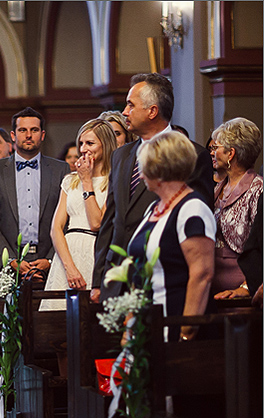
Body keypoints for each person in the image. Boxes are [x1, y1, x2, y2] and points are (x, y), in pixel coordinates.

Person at [92, 73, 214, 303]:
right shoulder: (121, 155)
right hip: (116, 279)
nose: (125, 112)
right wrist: (99, 279)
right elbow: (111, 219)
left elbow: (198, 225)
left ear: (152, 111)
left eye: (130, 105)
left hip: (163, 279)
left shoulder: (193, 156)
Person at [126, 132, 215, 341]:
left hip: (174, 323)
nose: (140, 175)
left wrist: (185, 330)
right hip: (149, 325)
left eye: (144, 167)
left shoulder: (192, 208)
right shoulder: (153, 209)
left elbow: (202, 274)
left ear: (160, 169)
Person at [0, 107, 70, 281]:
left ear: (42, 135)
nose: (28, 135)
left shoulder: (61, 169)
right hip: (5, 266)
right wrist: (11, 260)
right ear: (13, 135)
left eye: (34, 130)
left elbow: (67, 221)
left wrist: (51, 259)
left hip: (50, 264)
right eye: (22, 130)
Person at [40, 119, 117, 310]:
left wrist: (87, 181)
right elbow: (56, 228)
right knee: (56, 321)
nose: (83, 149)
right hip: (67, 254)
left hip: (95, 252)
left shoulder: (113, 180)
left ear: (105, 145)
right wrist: (69, 267)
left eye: (90, 143)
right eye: (81, 143)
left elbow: (96, 223)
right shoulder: (69, 181)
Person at [208, 118, 263, 299]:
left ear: (230, 154)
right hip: (211, 286)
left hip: (241, 293)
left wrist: (246, 288)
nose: (212, 153)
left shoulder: (257, 190)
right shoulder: (217, 188)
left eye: (216, 149)